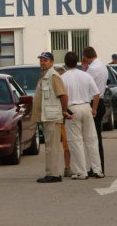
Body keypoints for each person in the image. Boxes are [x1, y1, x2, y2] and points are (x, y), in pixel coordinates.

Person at [60, 51, 104, 179]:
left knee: (75, 141)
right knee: (91, 139)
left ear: (65, 63)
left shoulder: (63, 78)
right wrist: (94, 109)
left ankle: (81, 172)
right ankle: (97, 170)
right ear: (77, 62)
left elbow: (63, 96)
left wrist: (64, 110)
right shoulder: (86, 75)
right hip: (86, 107)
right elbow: (96, 94)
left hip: (72, 109)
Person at [32, 52, 70, 183]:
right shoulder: (44, 76)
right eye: (41, 60)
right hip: (47, 116)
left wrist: (64, 111)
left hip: (52, 117)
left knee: (52, 147)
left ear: (52, 62)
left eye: (45, 60)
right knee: (49, 147)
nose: (42, 62)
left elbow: (63, 95)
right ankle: (51, 173)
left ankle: (54, 174)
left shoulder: (53, 76)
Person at [82, 46, 107, 174]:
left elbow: (86, 84)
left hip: (94, 102)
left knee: (93, 137)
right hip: (101, 100)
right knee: (96, 136)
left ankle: (97, 167)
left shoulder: (92, 69)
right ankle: (97, 166)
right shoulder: (102, 65)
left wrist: (84, 69)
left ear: (85, 57)